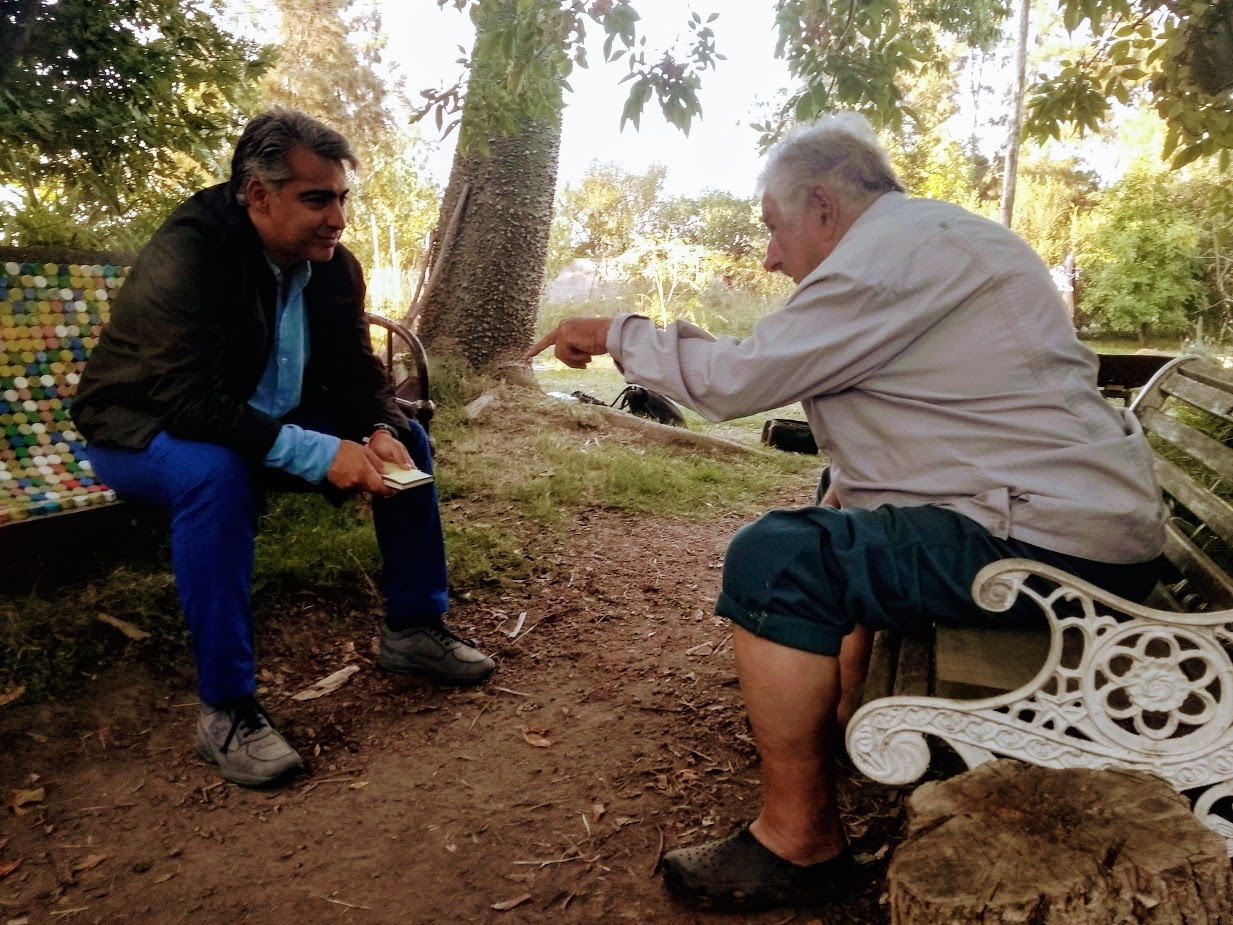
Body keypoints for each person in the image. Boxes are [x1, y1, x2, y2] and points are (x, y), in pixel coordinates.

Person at [529, 112, 1165, 911]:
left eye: (773, 227)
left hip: (1050, 546)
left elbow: (739, 380)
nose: (768, 255)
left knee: (777, 556)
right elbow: (890, 445)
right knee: (823, 510)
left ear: (823, 208)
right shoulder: (924, 242)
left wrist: (616, 333)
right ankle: (830, 723)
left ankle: (799, 842)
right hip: (1062, 523)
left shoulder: (897, 253)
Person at [72, 109, 495, 788]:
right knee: (216, 474)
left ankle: (415, 628)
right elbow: (187, 403)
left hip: (257, 417)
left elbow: (358, 373)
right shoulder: (191, 254)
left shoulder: (331, 265)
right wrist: (318, 452)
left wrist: (378, 425)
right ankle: (227, 709)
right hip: (140, 428)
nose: (338, 219)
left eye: (342, 198)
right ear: (258, 195)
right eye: (316, 199)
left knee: (407, 439)